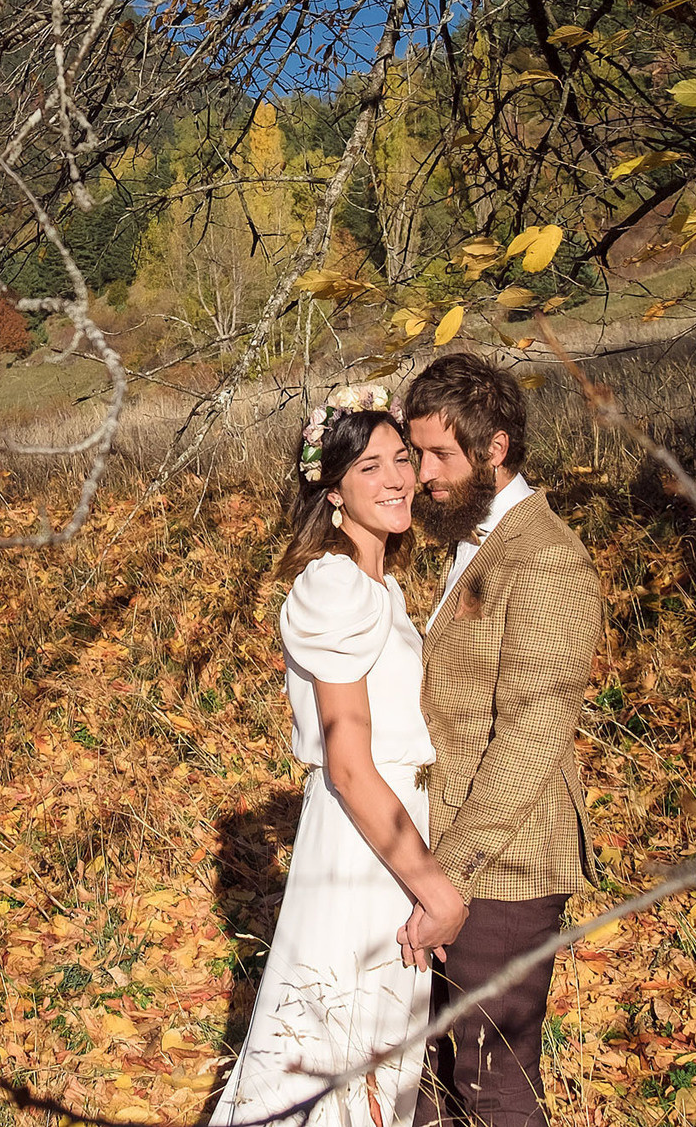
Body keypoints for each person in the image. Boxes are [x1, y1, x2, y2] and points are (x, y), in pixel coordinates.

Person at [211, 386, 470, 1127]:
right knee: (339, 1048)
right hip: (364, 844)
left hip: (391, 828)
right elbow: (350, 763)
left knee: (376, 1053)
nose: (396, 478)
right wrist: (438, 891)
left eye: (402, 459)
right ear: (332, 493)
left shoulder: (377, 584)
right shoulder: (334, 586)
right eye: (369, 468)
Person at [400, 352, 604, 1127]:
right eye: (418, 453)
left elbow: (531, 736)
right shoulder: (473, 537)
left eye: (439, 454)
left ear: (496, 448)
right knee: (427, 1082)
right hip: (449, 850)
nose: (424, 473)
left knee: (494, 1084)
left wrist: (447, 876)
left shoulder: (546, 558)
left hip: (505, 865)